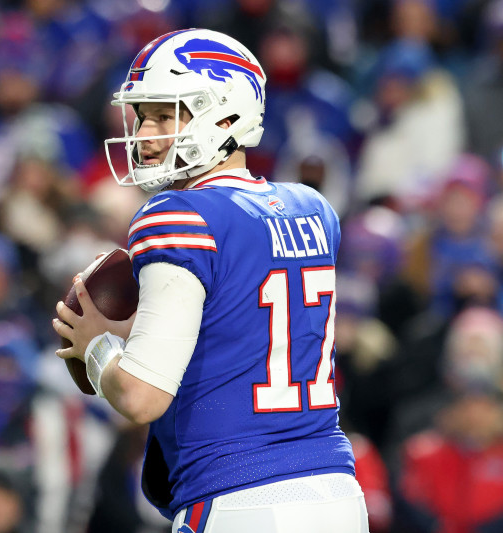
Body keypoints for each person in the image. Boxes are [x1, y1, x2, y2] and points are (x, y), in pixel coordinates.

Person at [52, 28, 368, 533]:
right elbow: (241, 325)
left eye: (165, 114)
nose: (145, 133)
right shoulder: (314, 208)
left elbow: (140, 397)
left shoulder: (175, 216)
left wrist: (98, 347)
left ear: (225, 114)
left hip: (237, 497)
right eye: (143, 114)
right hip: (336, 494)